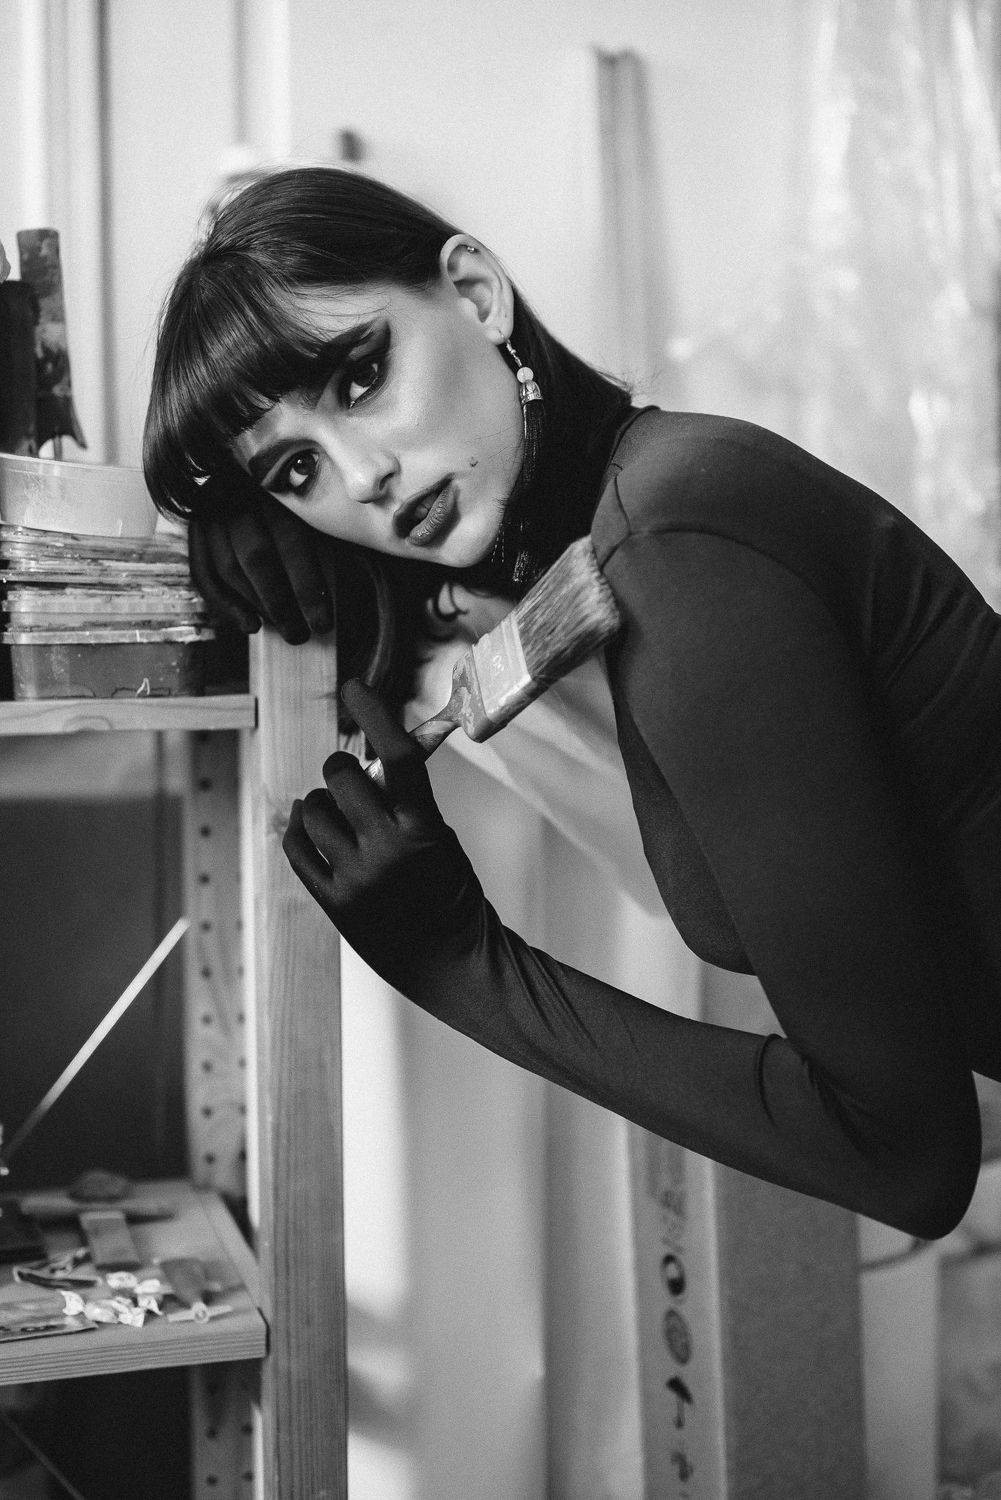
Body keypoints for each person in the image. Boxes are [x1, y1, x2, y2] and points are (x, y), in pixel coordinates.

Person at [143, 165, 1001, 1239]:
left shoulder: (676, 544)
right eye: (297, 472)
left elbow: (906, 1155)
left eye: (361, 377)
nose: (361, 477)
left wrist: (468, 967)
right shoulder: (635, 513)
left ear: (475, 293)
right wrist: (237, 509)